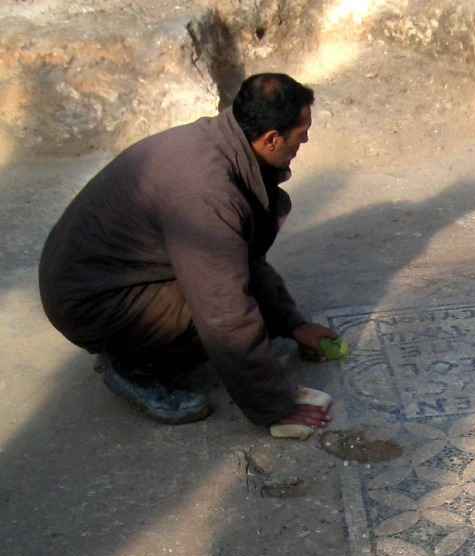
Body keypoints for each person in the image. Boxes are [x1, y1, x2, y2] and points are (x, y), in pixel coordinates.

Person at [39, 72, 338, 431]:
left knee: (236, 289)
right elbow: (225, 315)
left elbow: (240, 255)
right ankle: (135, 370)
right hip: (91, 302)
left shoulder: (222, 140)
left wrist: (292, 323)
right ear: (272, 139)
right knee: (228, 315)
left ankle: (133, 345)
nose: (305, 140)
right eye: (301, 133)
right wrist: (274, 407)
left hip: (100, 275)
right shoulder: (207, 195)